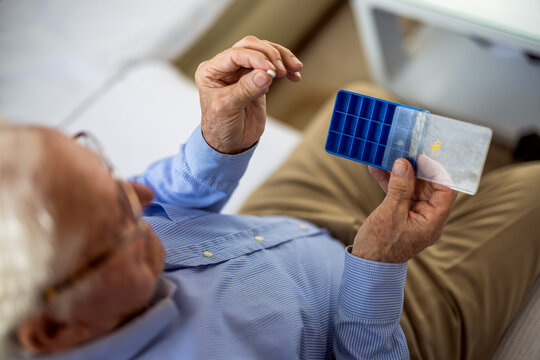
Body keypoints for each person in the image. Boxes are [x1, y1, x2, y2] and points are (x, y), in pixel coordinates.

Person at [0, 36, 538, 360]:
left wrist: (216, 143)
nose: (143, 197)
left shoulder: (76, 249)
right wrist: (377, 265)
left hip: (278, 225)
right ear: (55, 328)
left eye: (109, 173)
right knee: (533, 188)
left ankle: (477, 178)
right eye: (119, 217)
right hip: (386, 319)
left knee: (359, 103)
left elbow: (162, 198)